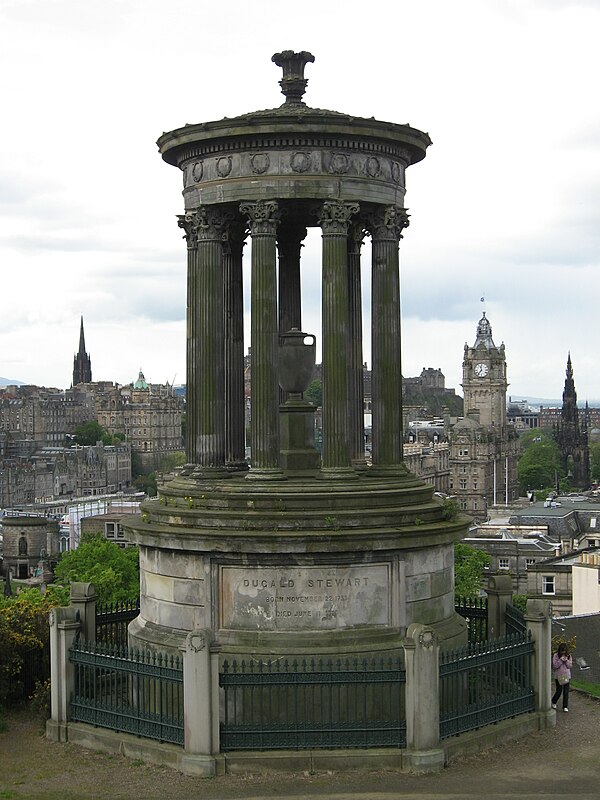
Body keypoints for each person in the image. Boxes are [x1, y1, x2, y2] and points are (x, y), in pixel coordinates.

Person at [552, 642, 573, 712]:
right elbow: (555, 666)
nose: (563, 653)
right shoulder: (556, 656)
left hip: (566, 676)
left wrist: (566, 660)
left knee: (566, 692)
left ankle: (565, 706)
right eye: (562, 651)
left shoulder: (569, 656)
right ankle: (554, 701)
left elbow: (570, 666)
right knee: (559, 691)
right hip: (559, 676)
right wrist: (560, 660)